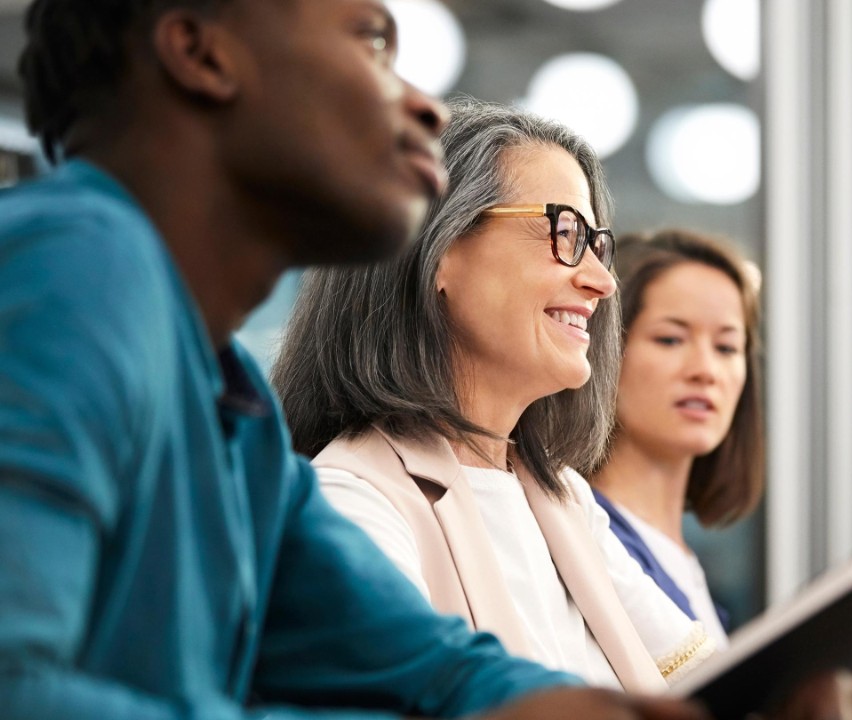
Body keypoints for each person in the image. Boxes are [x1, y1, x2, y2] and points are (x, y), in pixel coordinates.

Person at [0, 2, 705, 719]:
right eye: (371, 43)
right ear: (201, 53)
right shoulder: (71, 267)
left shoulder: (231, 408)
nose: (428, 110)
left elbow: (430, 667)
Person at [271, 99, 715, 692]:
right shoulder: (353, 501)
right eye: (564, 234)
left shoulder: (561, 497)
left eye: (596, 244)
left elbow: (708, 682)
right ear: (436, 247)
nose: (603, 281)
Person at [588, 230, 764, 649]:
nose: (705, 370)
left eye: (726, 347)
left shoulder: (683, 562)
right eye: (670, 339)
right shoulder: (587, 537)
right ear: (605, 350)